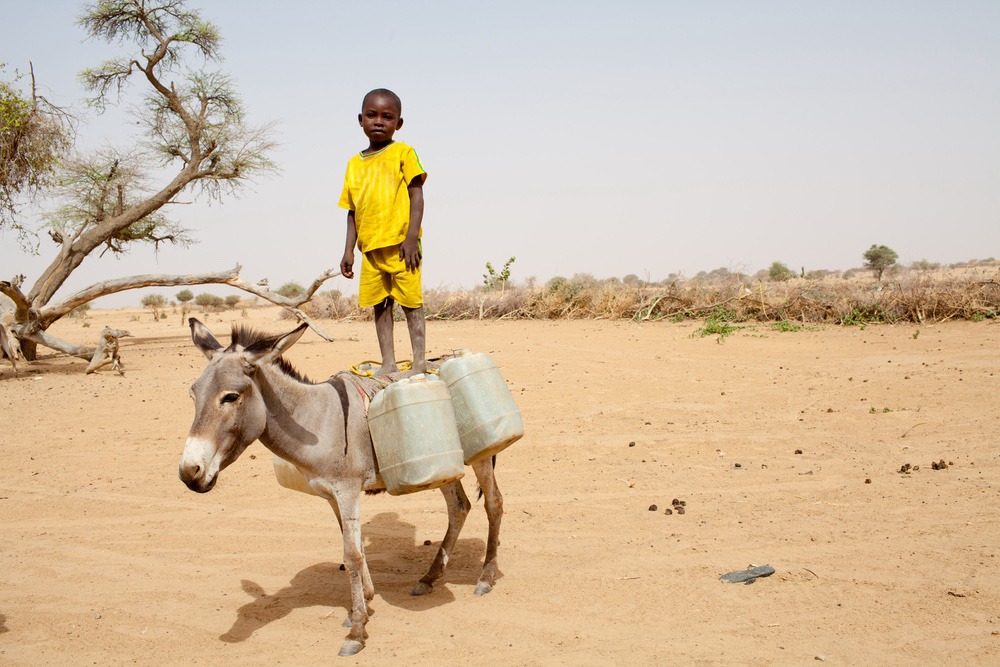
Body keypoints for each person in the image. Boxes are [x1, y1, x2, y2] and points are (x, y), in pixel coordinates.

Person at [339, 88, 427, 375]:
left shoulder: (403, 153)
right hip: (371, 249)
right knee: (380, 305)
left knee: (411, 304)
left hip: (403, 248)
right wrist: (348, 250)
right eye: (372, 115)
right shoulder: (354, 164)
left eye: (387, 117)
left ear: (398, 123)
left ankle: (419, 362)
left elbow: (417, 196)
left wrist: (411, 237)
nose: (378, 121)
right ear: (360, 119)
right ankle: (388, 362)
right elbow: (352, 211)